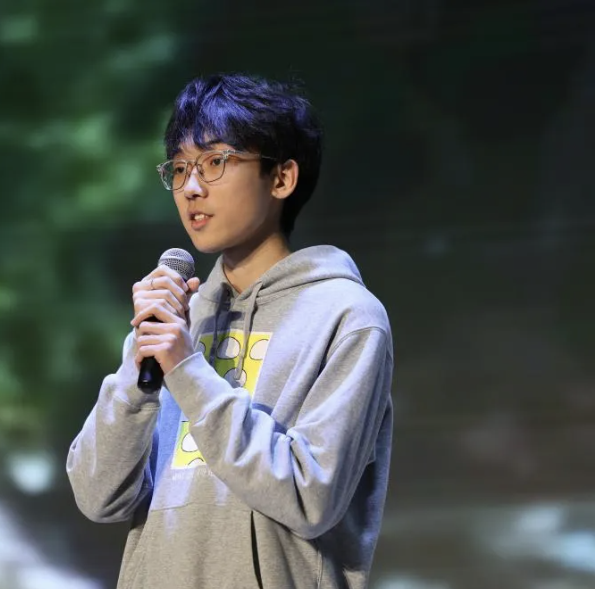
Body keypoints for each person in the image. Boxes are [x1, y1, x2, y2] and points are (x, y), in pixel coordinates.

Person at [67, 72, 394, 589]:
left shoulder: (347, 316)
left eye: (215, 162)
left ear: (281, 178)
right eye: (179, 168)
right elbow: (97, 496)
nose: (191, 188)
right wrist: (137, 373)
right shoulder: (174, 322)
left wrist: (187, 371)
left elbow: (311, 498)